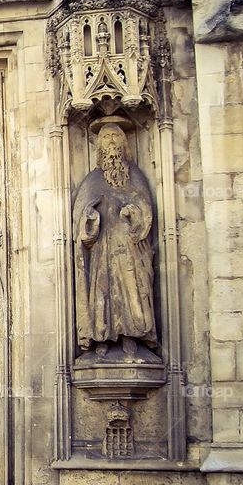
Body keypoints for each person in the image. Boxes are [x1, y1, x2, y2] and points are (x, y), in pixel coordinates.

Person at [73, 118, 157, 358]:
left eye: (115, 136)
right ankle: (102, 339)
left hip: (130, 250)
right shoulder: (93, 180)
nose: (111, 141)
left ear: (123, 143)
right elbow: (81, 219)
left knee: (133, 292)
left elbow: (144, 206)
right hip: (103, 252)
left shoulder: (135, 177)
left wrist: (134, 213)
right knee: (102, 294)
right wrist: (89, 220)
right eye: (106, 137)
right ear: (99, 145)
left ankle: (132, 337)